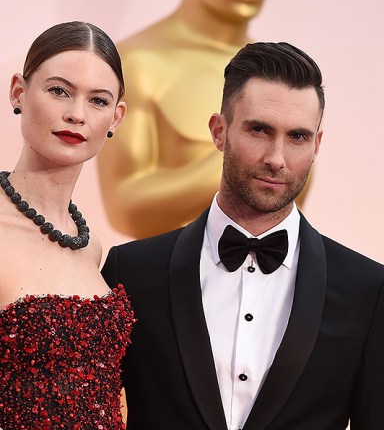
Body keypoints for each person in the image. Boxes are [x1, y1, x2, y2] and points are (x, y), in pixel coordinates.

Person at [102, 41, 384, 430]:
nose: (276, 158)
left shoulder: (367, 290)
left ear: (317, 144)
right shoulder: (130, 271)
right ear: (219, 132)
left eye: (298, 137)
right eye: (259, 130)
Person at [97, 0, 315, 240]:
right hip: (165, 275)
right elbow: (124, 209)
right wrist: (241, 158)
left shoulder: (285, 79)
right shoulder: (138, 63)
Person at [0, 21, 135, 429]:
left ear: (116, 117)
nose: (76, 114)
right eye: (59, 91)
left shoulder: (89, 247)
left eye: (97, 101)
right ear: (19, 92)